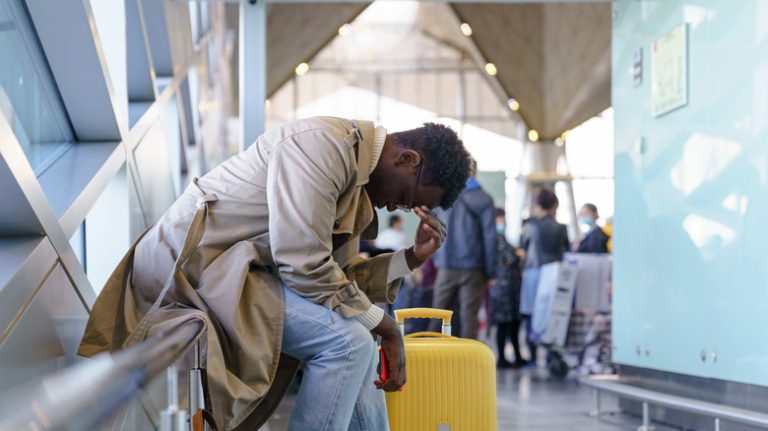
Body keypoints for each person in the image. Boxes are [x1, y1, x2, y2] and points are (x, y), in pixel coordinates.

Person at [78, 117, 471, 431]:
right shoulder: (322, 145)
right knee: (349, 342)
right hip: (191, 270)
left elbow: (338, 278)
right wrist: (386, 328)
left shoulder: (356, 182)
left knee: (359, 342)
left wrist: (409, 259)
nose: (397, 208)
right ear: (407, 160)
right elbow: (303, 263)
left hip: (240, 275)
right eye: (407, 197)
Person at [430, 159, 496, 340]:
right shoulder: (483, 199)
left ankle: (429, 360)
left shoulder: (442, 197)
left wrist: (436, 259)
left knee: (437, 315)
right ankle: (467, 364)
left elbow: (432, 229)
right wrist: (491, 273)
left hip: (445, 266)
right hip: (473, 269)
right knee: (469, 318)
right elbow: (490, 237)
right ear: (475, 171)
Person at [519, 188, 569, 365]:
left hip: (534, 274)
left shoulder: (531, 226)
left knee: (531, 315)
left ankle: (532, 358)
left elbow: (523, 251)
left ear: (538, 205)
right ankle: (550, 355)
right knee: (552, 315)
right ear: (555, 205)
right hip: (554, 275)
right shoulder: (561, 228)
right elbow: (566, 252)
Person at [490, 208, 526, 368]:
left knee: (513, 323)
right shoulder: (495, 239)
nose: (502, 223)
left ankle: (516, 356)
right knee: (504, 324)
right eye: (500, 219)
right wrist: (518, 254)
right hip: (503, 288)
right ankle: (502, 358)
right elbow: (509, 258)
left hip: (510, 287)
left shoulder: (500, 238)